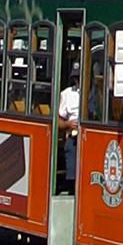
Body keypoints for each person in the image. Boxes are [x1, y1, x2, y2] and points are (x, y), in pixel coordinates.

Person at [57, 65, 80, 193]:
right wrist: (68, 125)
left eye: (80, 77)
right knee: (71, 147)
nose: (78, 80)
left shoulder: (95, 91)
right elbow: (57, 122)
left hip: (91, 136)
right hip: (73, 136)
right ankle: (72, 189)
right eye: (76, 77)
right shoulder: (66, 94)